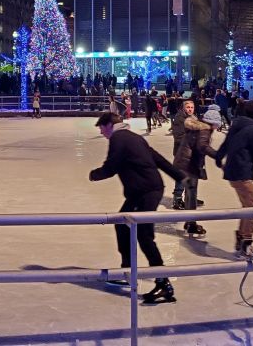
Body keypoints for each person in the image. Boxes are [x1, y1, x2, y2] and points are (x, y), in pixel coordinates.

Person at [89, 112, 186, 303]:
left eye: (101, 127)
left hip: (146, 191)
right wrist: (177, 175)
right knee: (121, 224)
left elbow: (112, 166)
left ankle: (163, 283)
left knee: (144, 234)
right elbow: (156, 157)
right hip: (142, 190)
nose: (101, 132)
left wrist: (94, 174)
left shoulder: (119, 138)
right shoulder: (133, 137)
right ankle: (127, 272)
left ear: (109, 125)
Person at [215, 100, 253, 258]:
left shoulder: (236, 125)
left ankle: (241, 237)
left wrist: (218, 158)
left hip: (232, 173)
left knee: (246, 207)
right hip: (242, 173)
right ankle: (246, 244)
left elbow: (225, 144)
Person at [173, 108, 220, 236]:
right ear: (213, 122)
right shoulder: (205, 129)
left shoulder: (198, 127)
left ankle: (190, 222)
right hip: (188, 165)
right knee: (191, 195)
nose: (217, 126)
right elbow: (202, 146)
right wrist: (218, 155)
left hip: (185, 163)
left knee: (190, 194)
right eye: (217, 123)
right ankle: (191, 224)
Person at [170, 99, 197, 209]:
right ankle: (177, 199)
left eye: (191, 107)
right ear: (183, 108)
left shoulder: (193, 118)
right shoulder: (179, 119)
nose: (190, 109)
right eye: (188, 107)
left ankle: (190, 197)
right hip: (181, 152)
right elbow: (178, 137)